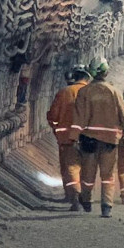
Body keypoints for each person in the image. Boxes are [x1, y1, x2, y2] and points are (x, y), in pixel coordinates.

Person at [71, 58, 124, 217]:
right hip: (110, 140)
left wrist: (74, 137)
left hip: (88, 139)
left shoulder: (84, 92)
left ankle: (87, 201)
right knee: (108, 175)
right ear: (106, 72)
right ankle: (106, 206)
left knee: (88, 174)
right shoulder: (114, 91)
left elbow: (78, 118)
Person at [47, 66, 90, 210]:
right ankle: (85, 196)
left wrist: (56, 129)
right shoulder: (93, 93)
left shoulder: (64, 93)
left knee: (71, 168)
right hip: (89, 138)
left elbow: (53, 116)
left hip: (67, 139)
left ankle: (75, 197)